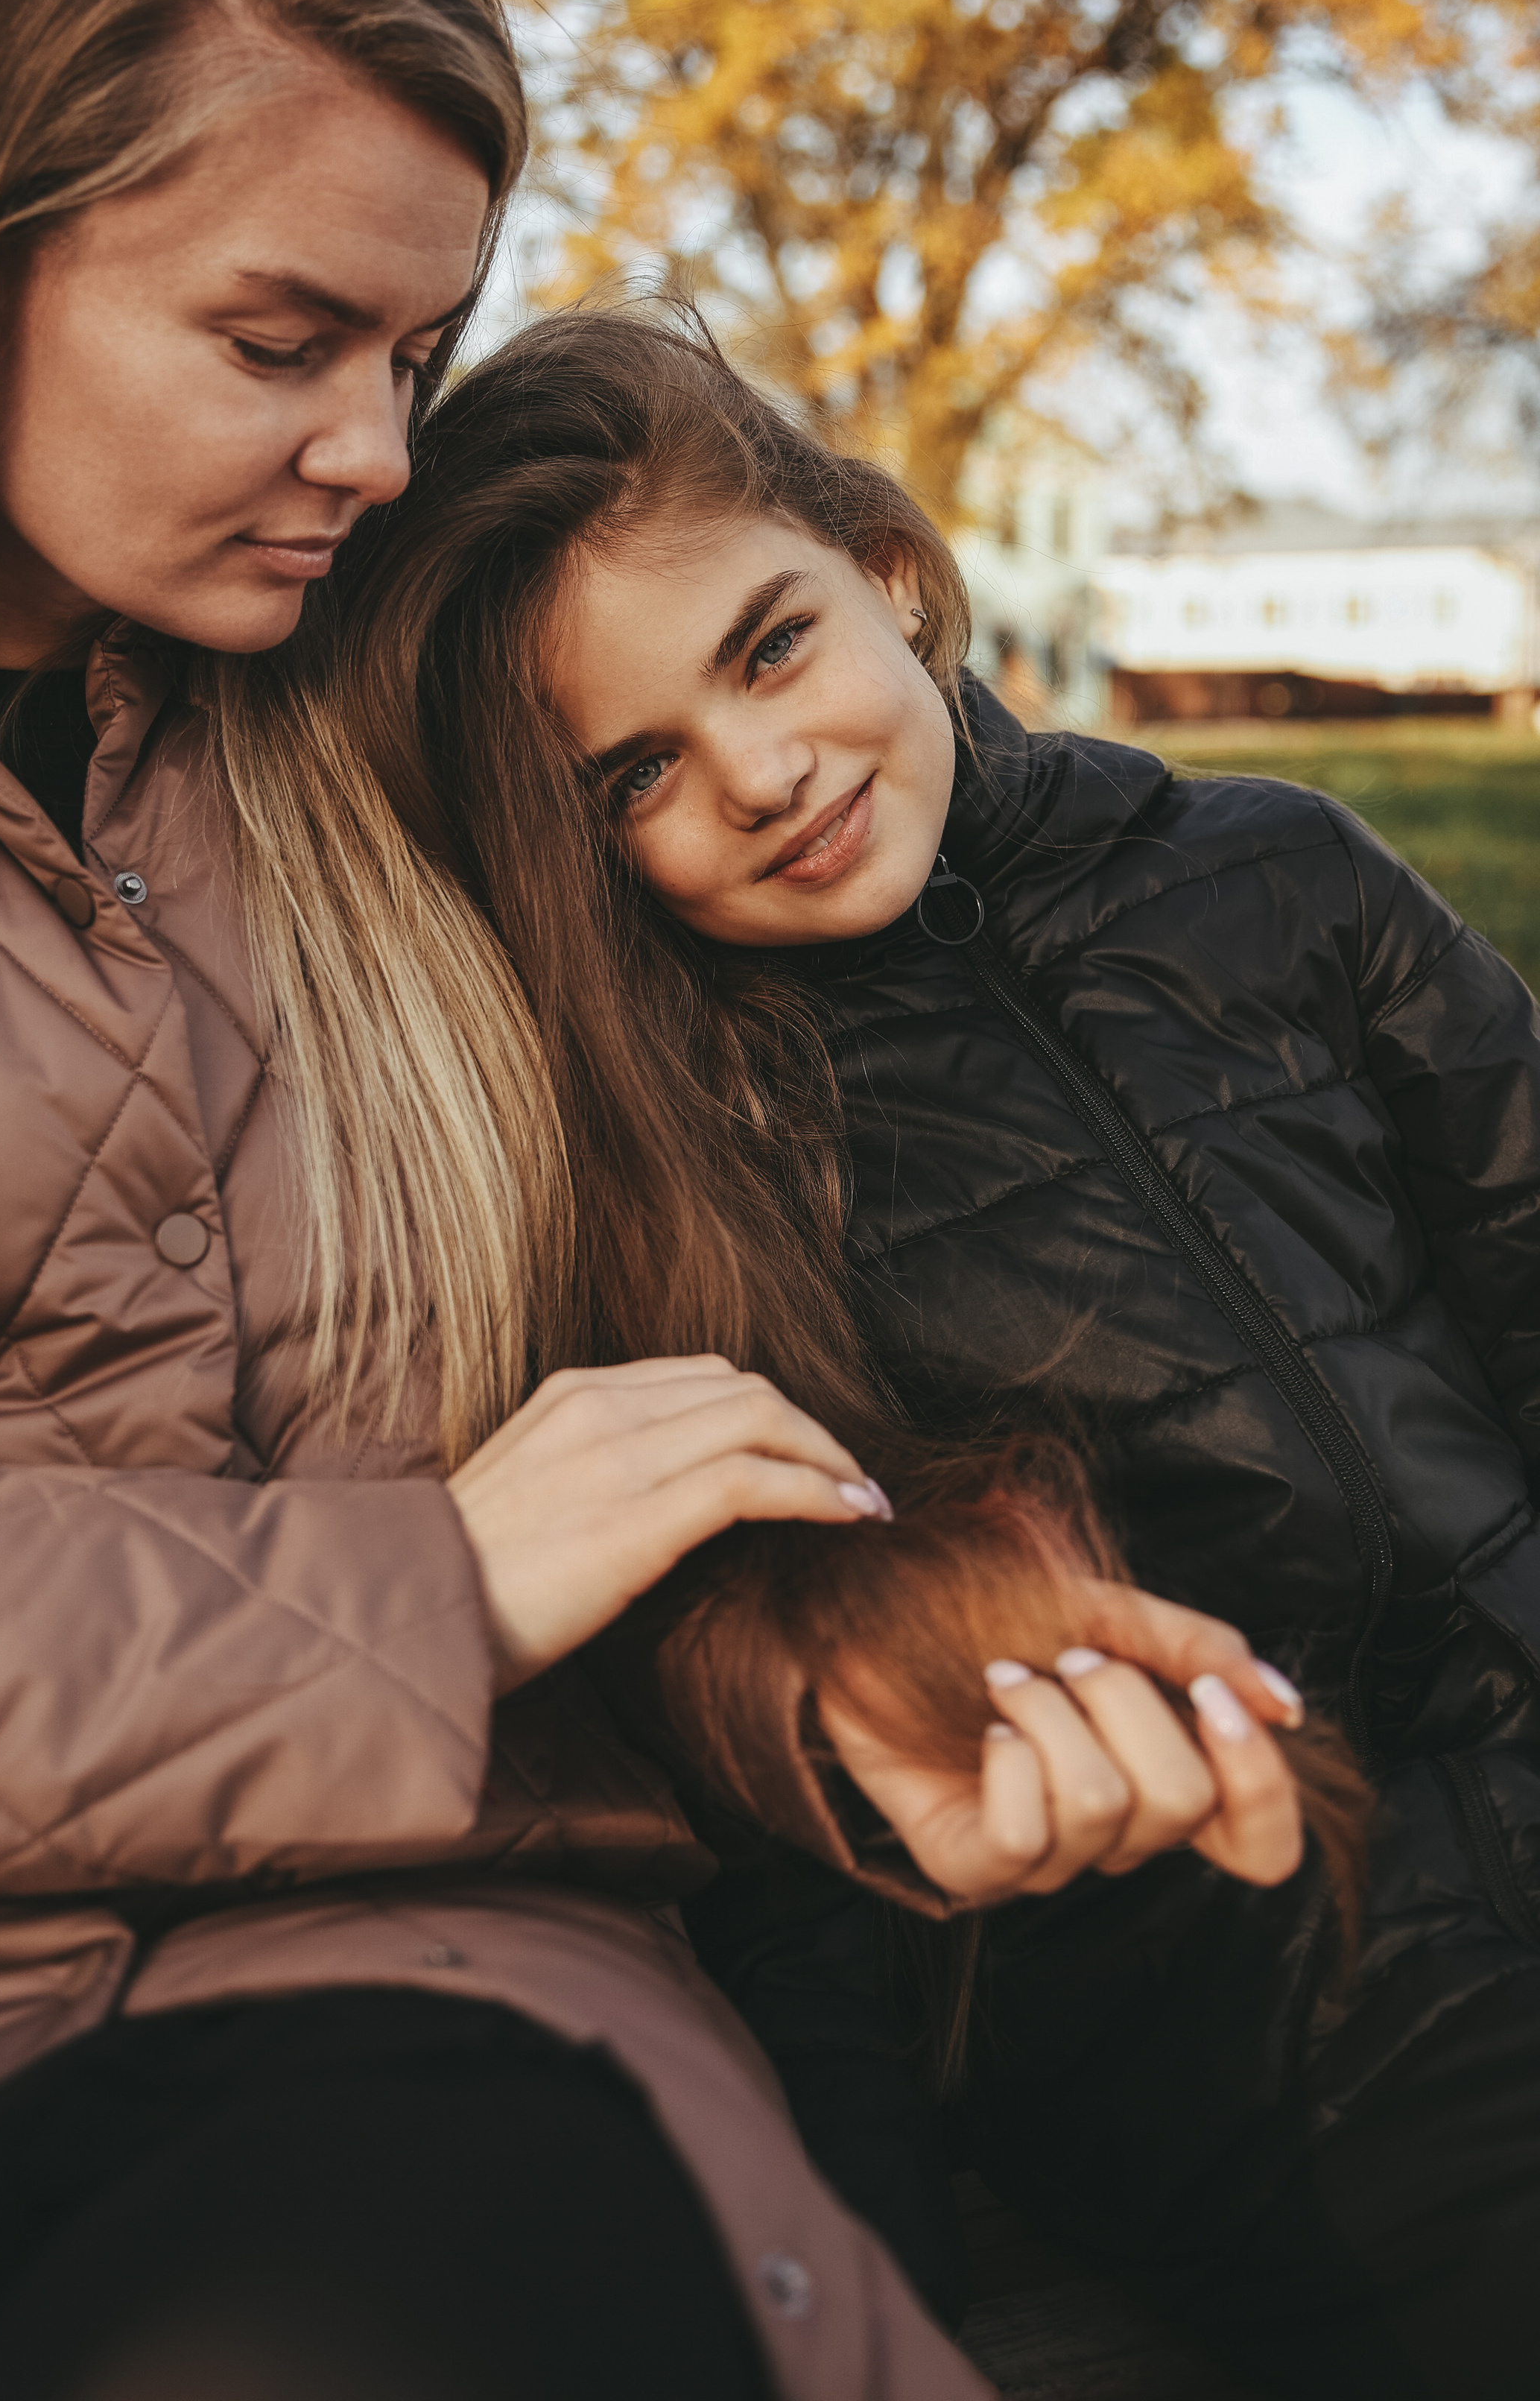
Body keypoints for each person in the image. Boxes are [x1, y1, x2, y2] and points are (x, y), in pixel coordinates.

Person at [0, 0, 1302, 2401]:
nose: (381, 458)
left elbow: (673, 1420)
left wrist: (883, 1703)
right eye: (280, 344)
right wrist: (406, 1599)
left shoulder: (420, 774)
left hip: (444, 2022)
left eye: (416, 356)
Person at [325, 301, 1540, 2401]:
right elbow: (781, 1867)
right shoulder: (677, 1162)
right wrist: (876, 2295)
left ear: (883, 569)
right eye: (638, 777)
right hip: (1259, 2007)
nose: (763, 774)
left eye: (769, 648)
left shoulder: (1281, 876)